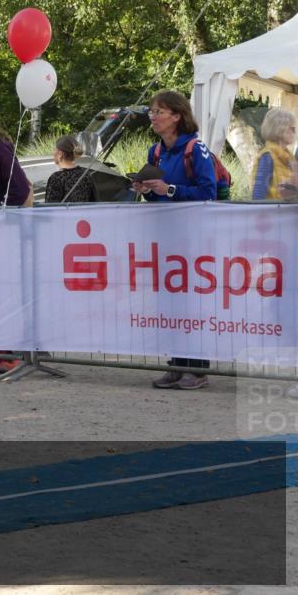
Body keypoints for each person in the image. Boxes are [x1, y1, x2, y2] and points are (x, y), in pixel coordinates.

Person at [130, 90, 216, 390]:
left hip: (193, 239)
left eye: (159, 111)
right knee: (168, 303)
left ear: (177, 116)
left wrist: (168, 190)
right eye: (152, 111)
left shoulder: (196, 148)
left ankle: (198, 368)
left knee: (191, 303)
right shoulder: (155, 152)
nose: (153, 116)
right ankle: (177, 365)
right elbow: (158, 196)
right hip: (164, 237)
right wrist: (147, 190)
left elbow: (208, 193)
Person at [252, 108, 298, 200]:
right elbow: (258, 196)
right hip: (271, 213)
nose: (294, 132)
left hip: (287, 213)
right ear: (279, 129)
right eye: (292, 128)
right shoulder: (267, 157)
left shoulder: (290, 158)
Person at [45, 135, 97, 203]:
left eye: (54, 149)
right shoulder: (86, 175)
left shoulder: (56, 178)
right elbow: (93, 203)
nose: (53, 152)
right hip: (82, 214)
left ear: (60, 154)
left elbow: (50, 208)